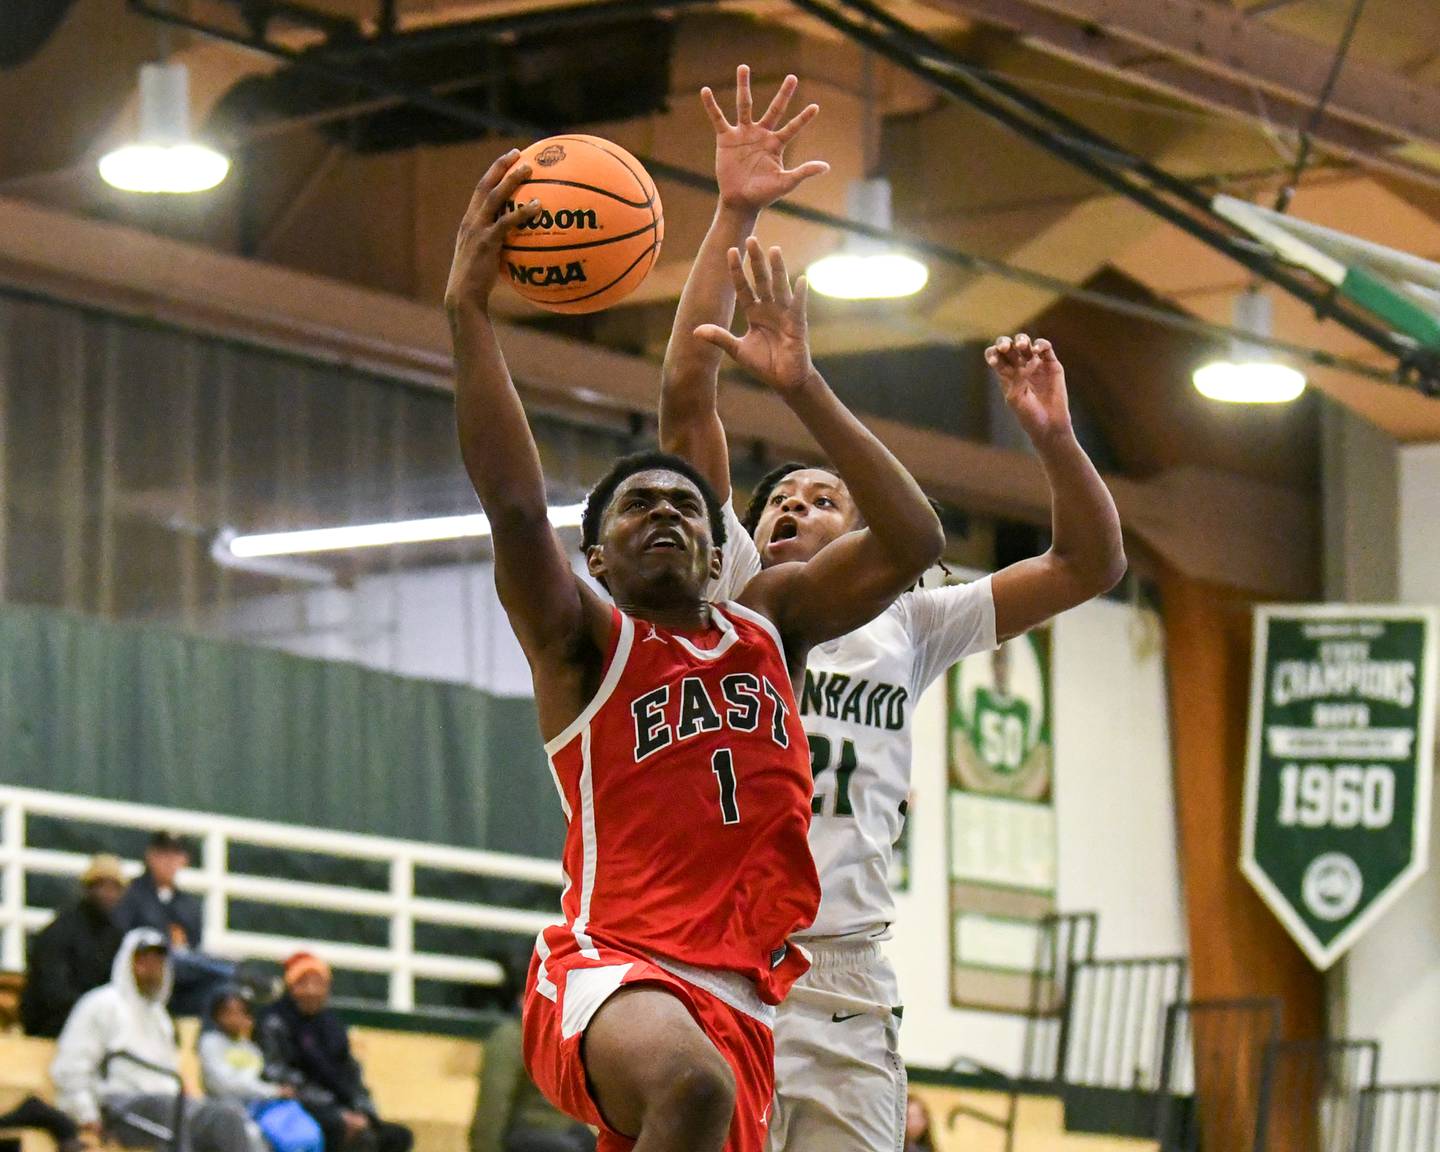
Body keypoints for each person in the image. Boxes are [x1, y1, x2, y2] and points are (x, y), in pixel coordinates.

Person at [445, 129, 942, 1152]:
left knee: (702, 1089)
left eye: (685, 502)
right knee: (691, 1088)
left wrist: (804, 387)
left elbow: (914, 538)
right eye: (636, 509)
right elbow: (513, 506)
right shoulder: (584, 642)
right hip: (611, 966)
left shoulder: (771, 627)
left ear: (721, 543)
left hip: (750, 998)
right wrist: (466, 314)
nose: (667, 511)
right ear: (598, 559)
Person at [659, 70, 1126, 1152]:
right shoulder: (734, 591)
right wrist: (733, 214)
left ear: (864, 532)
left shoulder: (912, 622)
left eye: (823, 498)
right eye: (779, 498)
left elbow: (1091, 562)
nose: (795, 508)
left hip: (851, 977)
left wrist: (1054, 440)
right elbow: (689, 394)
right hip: (724, 954)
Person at [50, 928, 254, 1152]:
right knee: (172, 1116)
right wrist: (84, 1111)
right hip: (121, 1105)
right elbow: (72, 1066)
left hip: (170, 1102)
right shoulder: (101, 1003)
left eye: (159, 961)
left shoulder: (160, 1017)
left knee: (227, 1116)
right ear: (128, 961)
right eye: (144, 960)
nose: (152, 968)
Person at [256, 954, 413, 1152]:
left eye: (319, 984)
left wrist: (363, 1111)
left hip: (340, 1104)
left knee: (396, 1136)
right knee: (345, 1131)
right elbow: (276, 1071)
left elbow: (351, 1073)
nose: (312, 991)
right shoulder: (275, 1021)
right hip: (298, 1105)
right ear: (291, 987)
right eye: (303, 984)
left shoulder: (332, 1025)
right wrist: (337, 1112)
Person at [467, 964, 595, 1152]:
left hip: (562, 1132)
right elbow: (492, 1108)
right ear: (523, 998)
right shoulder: (510, 1038)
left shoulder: (562, 1037)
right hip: (526, 1134)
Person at [113, 831, 233, 1016]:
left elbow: (193, 947)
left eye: (176, 855)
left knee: (221, 983)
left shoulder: (188, 905)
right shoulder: (131, 895)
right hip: (145, 970)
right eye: (163, 854)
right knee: (217, 969)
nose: (169, 861)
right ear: (150, 856)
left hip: (181, 979)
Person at [201, 987, 324, 1152]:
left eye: (241, 1012)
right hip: (225, 1110)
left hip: (259, 1109)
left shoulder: (252, 1049)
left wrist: (278, 1092)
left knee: (306, 1134)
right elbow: (224, 1085)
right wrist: (272, 1091)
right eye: (228, 1012)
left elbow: (261, 1079)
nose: (235, 1018)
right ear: (216, 1016)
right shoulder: (210, 1043)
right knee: (254, 1138)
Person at [21, 853, 125, 1037]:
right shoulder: (60, 931)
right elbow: (52, 992)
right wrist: (93, 1011)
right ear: (87, 888)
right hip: (53, 1027)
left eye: (115, 888)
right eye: (101, 885)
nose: (108, 894)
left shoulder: (115, 935)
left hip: (99, 1026)